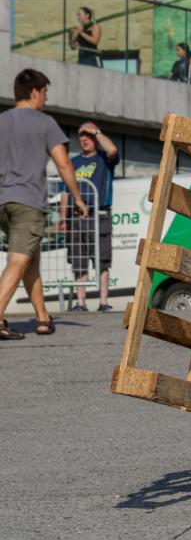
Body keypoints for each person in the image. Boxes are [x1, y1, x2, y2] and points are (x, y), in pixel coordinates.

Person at [0, 69, 90, 340]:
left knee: (31, 260)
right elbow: (63, 163)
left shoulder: (1, 121)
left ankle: (42, 317)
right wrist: (76, 197)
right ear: (34, 92)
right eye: (45, 92)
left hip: (3, 202)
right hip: (28, 202)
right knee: (18, 261)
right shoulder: (45, 122)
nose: (46, 98)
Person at [66, 120, 118, 312]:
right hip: (77, 216)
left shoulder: (105, 158)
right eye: (82, 134)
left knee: (102, 260)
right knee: (79, 260)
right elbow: (66, 192)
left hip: (100, 215)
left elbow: (112, 148)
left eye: (88, 135)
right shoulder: (74, 162)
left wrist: (95, 131)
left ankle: (103, 302)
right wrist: (65, 219)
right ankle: (80, 303)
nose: (85, 138)